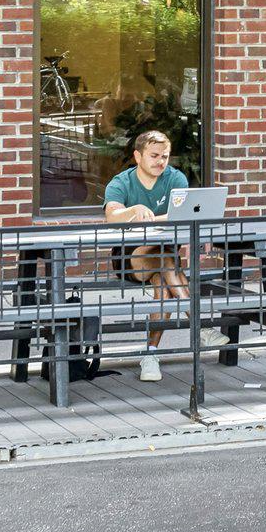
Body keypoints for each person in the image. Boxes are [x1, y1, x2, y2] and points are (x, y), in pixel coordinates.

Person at [103, 129, 191, 383]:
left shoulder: (176, 179)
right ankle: (200, 324)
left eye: (165, 156)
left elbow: (184, 214)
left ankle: (151, 355)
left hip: (166, 259)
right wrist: (133, 210)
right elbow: (111, 217)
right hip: (130, 259)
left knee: (163, 277)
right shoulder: (122, 182)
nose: (160, 161)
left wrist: (151, 217)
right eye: (154, 155)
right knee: (165, 261)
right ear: (137, 156)